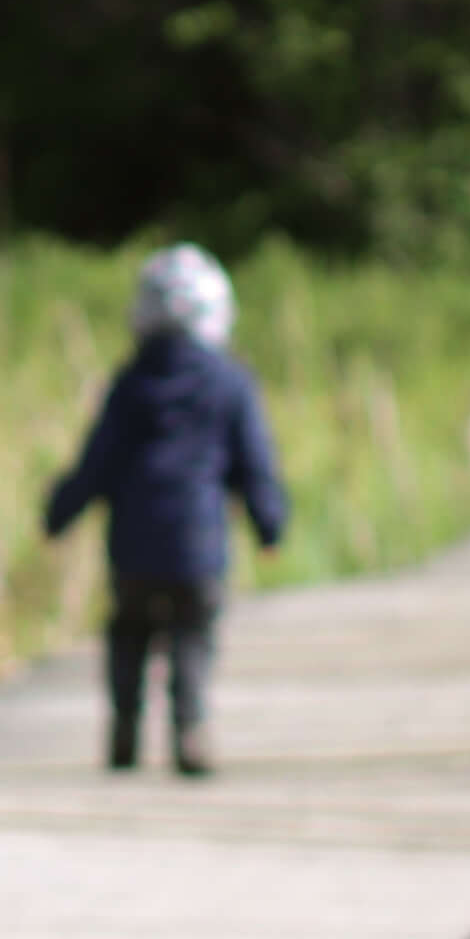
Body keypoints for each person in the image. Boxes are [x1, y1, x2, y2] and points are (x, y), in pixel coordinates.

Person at [41, 243, 288, 776]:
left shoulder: (130, 384)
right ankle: (190, 732)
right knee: (192, 638)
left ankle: (124, 731)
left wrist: (59, 513)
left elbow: (97, 462)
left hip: (132, 545)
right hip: (199, 545)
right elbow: (255, 463)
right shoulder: (231, 382)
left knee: (129, 634)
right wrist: (270, 524)